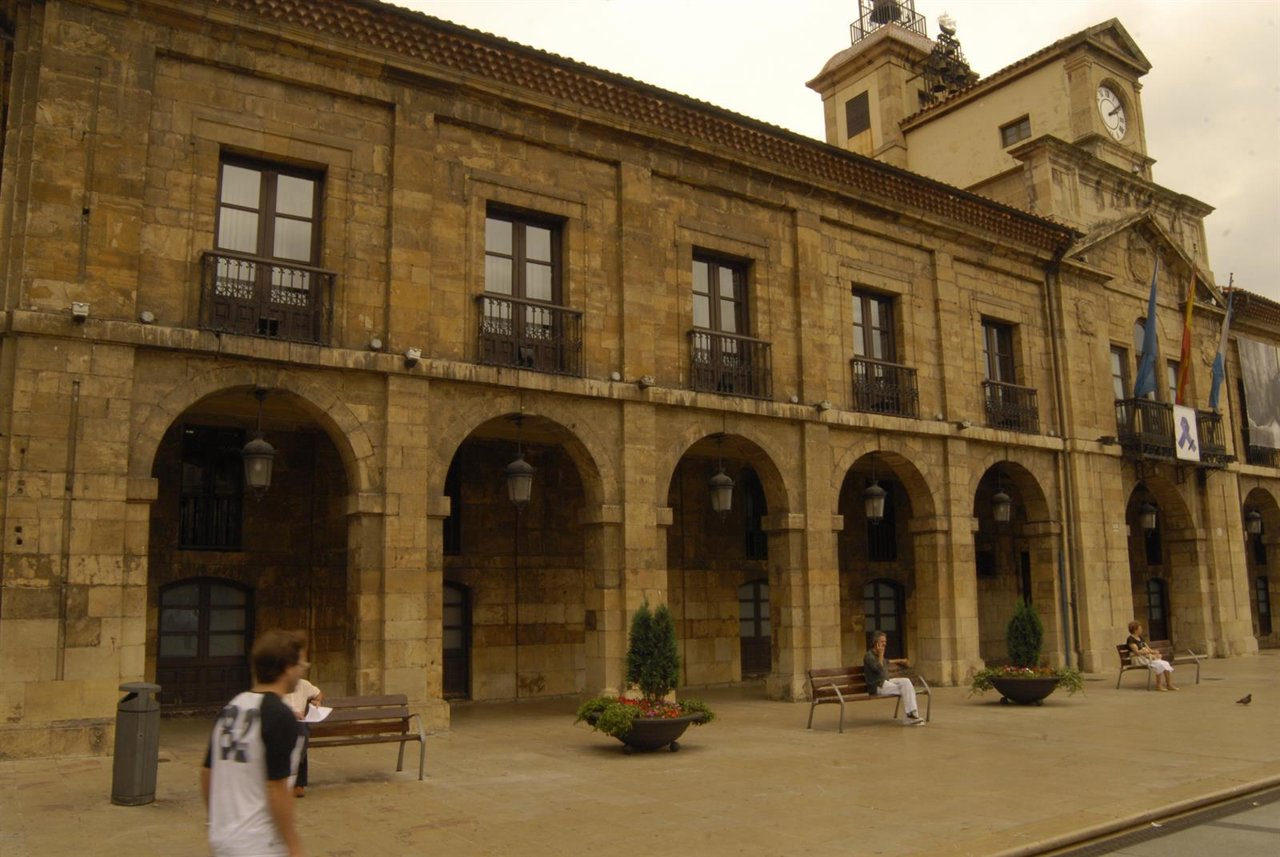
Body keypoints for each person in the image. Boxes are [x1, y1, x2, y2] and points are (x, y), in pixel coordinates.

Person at [202, 629, 307, 857]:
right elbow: (276, 786)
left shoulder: (231, 708)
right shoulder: (280, 715)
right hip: (259, 842)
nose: (302, 669)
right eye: (300, 664)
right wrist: (293, 844)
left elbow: (207, 772)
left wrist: (216, 821)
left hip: (224, 838)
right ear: (287, 668)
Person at [281, 658, 323, 798]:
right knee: (294, 736)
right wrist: (291, 713)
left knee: (301, 735)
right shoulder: (279, 685)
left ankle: (299, 783)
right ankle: (285, 780)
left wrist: (317, 700)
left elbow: (318, 693)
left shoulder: (304, 684)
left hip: (300, 723)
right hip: (283, 720)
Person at [863, 630, 925, 725]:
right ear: (876, 642)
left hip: (886, 682)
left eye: (885, 642)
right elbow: (879, 669)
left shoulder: (879, 655)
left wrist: (901, 660)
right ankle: (911, 716)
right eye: (882, 642)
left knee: (906, 681)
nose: (885, 644)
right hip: (877, 686)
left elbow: (887, 661)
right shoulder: (869, 656)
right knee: (907, 689)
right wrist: (880, 654)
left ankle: (911, 715)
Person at [1126, 620, 1178, 691]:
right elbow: (1137, 652)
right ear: (1135, 630)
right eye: (1140, 628)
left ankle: (1169, 684)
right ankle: (1158, 685)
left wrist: (1154, 652)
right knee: (1159, 664)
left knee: (1165, 663)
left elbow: (1148, 649)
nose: (1141, 630)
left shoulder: (1140, 638)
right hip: (1138, 659)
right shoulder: (1130, 639)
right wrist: (1146, 652)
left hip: (1146, 657)